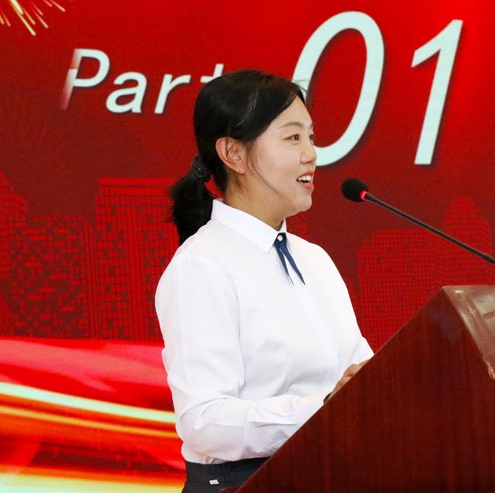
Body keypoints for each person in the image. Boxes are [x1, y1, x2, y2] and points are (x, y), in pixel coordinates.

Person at [155, 70, 373, 493]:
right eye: (293, 138)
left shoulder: (315, 260)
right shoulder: (201, 265)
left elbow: (358, 375)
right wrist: (323, 409)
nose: (311, 154)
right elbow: (204, 421)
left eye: (311, 137)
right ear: (234, 154)